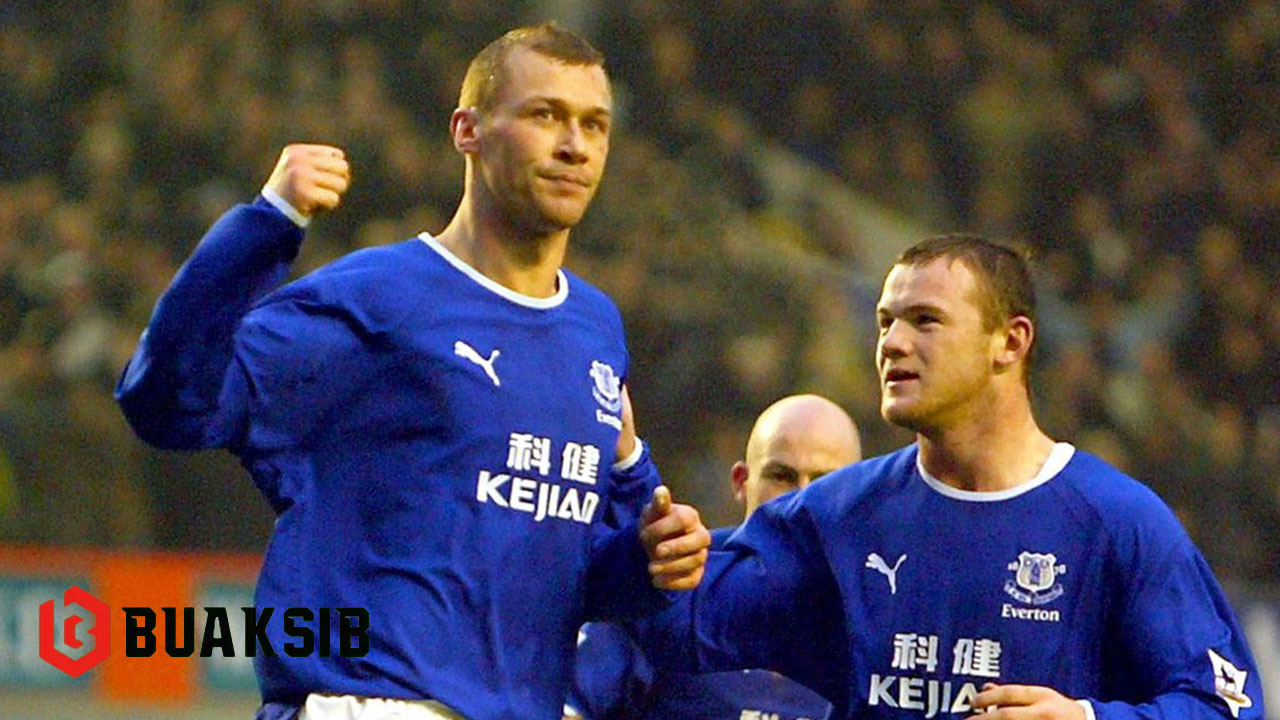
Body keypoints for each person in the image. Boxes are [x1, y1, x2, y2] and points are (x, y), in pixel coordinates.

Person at [114, 23, 710, 720]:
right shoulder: (377, 299)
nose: (574, 145)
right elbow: (167, 406)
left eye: (594, 124)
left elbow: (552, 574)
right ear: (467, 130)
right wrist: (266, 224)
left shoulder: (595, 329)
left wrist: (646, 563)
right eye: (545, 115)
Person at [635, 235, 1265, 720]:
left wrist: (1085, 717)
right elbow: (677, 627)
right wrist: (632, 486)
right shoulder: (837, 516)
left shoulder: (1117, 521)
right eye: (885, 322)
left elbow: (1226, 706)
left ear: (1010, 342)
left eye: (925, 321)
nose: (891, 343)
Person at [566, 394, 862, 720]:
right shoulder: (673, 577)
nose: (801, 500)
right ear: (741, 481)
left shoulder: (880, 606)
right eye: (781, 476)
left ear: (860, 496)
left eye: (825, 482)